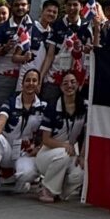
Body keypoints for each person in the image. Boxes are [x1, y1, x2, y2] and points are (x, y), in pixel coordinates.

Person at [0, 69, 47, 199]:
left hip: (26, 152)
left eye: (34, 80)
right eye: (27, 80)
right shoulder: (10, 102)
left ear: (39, 84)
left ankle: (15, 178)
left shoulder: (43, 107)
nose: (31, 83)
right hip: (8, 149)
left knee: (25, 174)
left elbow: (47, 133)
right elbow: (0, 122)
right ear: (22, 83)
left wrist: (39, 148)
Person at [36, 72, 88, 203]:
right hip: (48, 154)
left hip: (70, 153)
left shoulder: (85, 107)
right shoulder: (53, 107)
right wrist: (64, 145)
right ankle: (47, 188)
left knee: (81, 173)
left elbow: (87, 134)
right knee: (64, 154)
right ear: (60, 87)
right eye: (65, 83)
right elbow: (45, 139)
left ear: (78, 85)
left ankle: (57, 191)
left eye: (72, 82)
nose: (69, 86)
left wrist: (82, 156)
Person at [0, 0, 32, 125]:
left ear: (28, 7)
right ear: (11, 7)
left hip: (24, 79)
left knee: (16, 118)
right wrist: (4, 49)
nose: (20, 8)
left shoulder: (33, 27)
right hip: (3, 78)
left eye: (23, 5)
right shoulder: (3, 28)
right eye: (16, 5)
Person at [41, 0, 94, 103]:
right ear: (65, 6)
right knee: (49, 108)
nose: (72, 8)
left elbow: (90, 52)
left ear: (81, 7)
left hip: (76, 80)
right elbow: (50, 55)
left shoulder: (87, 26)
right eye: (69, 5)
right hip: (55, 77)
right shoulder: (57, 25)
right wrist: (41, 77)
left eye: (75, 5)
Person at [16, 0, 59, 89]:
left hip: (41, 80)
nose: (51, 14)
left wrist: (41, 78)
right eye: (49, 11)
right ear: (42, 11)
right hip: (25, 78)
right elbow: (15, 57)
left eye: (54, 12)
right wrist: (24, 58)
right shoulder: (30, 28)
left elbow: (49, 57)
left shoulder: (53, 33)